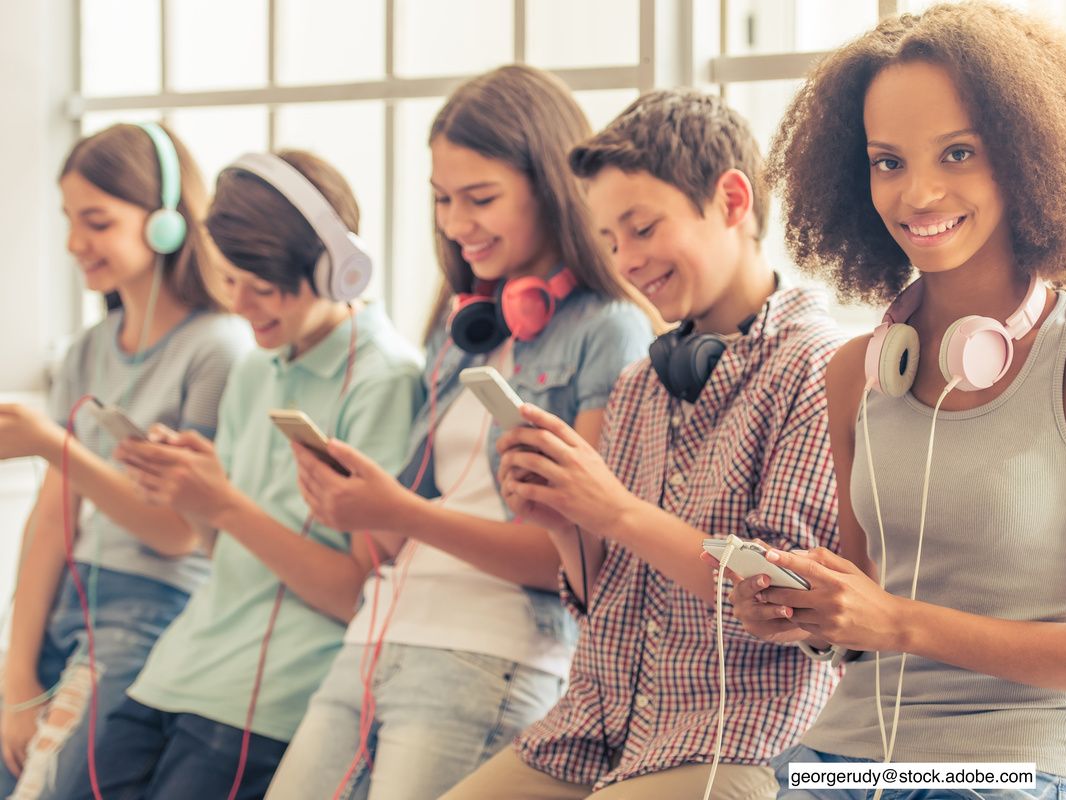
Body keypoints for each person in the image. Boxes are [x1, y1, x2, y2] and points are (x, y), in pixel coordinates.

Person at [731, 4, 1066, 798]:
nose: (919, 193)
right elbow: (858, 614)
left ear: (1029, 156)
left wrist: (897, 621)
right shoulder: (860, 370)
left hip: (1003, 768)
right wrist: (802, 615)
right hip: (840, 762)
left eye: (958, 153)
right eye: (887, 161)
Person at [265, 65, 653, 800]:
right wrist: (352, 504)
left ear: (551, 188)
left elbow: (569, 558)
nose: (455, 222)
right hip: (379, 638)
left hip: (489, 653)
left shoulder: (610, 329)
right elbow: (395, 536)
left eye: (480, 198)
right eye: (443, 198)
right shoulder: (462, 329)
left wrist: (397, 512)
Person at [444, 88, 843, 799]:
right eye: (608, 240)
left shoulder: (818, 368)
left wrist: (615, 512)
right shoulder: (639, 385)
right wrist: (567, 524)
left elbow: (788, 603)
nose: (626, 260)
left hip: (735, 739)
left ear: (730, 201)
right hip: (590, 734)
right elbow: (613, 601)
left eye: (642, 228)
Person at [82, 150, 422, 799]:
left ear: (333, 270)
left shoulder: (384, 380)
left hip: (267, 696)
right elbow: (225, 553)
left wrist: (227, 505)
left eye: (260, 288)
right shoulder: (255, 368)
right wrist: (198, 496)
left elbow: (356, 594)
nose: (240, 306)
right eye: (229, 281)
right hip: (178, 667)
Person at [0, 122, 249, 799]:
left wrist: (56, 445)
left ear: (166, 223)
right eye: (69, 221)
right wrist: (15, 673)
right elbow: (52, 520)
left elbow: (177, 531)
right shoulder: (88, 349)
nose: (75, 244)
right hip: (65, 602)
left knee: (57, 786)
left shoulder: (218, 349)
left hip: (153, 608)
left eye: (97, 222)